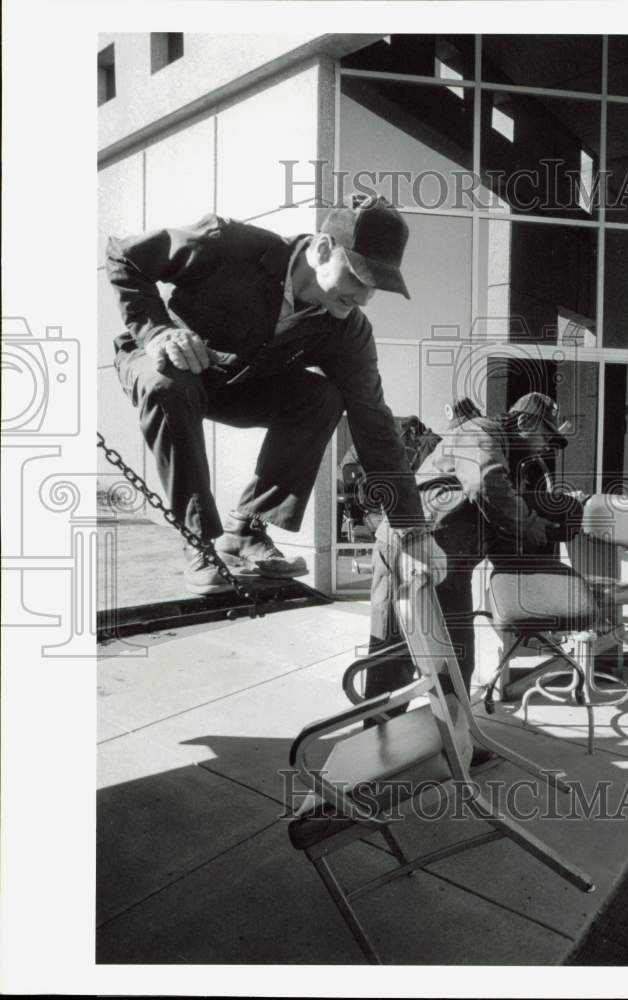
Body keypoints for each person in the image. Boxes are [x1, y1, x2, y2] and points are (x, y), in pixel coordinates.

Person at [106, 195, 445, 594]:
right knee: (169, 384)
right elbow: (124, 255)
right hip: (167, 364)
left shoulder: (348, 330)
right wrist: (157, 331)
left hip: (235, 387)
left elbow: (375, 425)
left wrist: (412, 531)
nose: (364, 297)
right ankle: (199, 542)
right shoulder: (227, 242)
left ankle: (245, 531)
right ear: (322, 249)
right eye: (357, 276)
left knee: (325, 397)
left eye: (375, 287)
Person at [364, 391, 584, 708]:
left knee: (456, 658)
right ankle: (379, 742)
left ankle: (458, 743)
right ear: (523, 421)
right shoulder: (479, 433)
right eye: (545, 435)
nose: (546, 446)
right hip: (411, 549)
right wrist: (531, 524)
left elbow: (494, 504)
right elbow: (485, 484)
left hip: (448, 559)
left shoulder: (502, 451)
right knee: (394, 657)